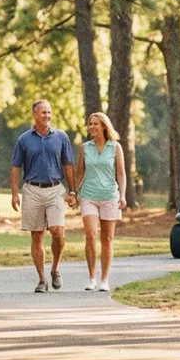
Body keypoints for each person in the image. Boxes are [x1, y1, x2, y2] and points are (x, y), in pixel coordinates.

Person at [10, 98, 75, 293]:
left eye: (49, 112)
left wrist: (73, 191)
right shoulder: (24, 139)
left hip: (55, 188)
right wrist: (14, 193)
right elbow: (15, 167)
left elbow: (68, 165)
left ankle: (55, 268)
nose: (47, 115)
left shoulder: (61, 137)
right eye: (43, 112)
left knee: (58, 231)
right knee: (37, 235)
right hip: (32, 189)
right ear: (35, 115)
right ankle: (41, 279)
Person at [77, 112, 126, 292]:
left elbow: (121, 173)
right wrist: (74, 192)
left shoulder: (115, 147)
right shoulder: (85, 147)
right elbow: (80, 172)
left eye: (96, 124)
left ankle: (104, 279)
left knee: (107, 238)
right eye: (90, 124)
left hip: (109, 196)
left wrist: (122, 195)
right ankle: (91, 277)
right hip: (89, 195)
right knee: (91, 235)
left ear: (104, 126)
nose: (92, 127)